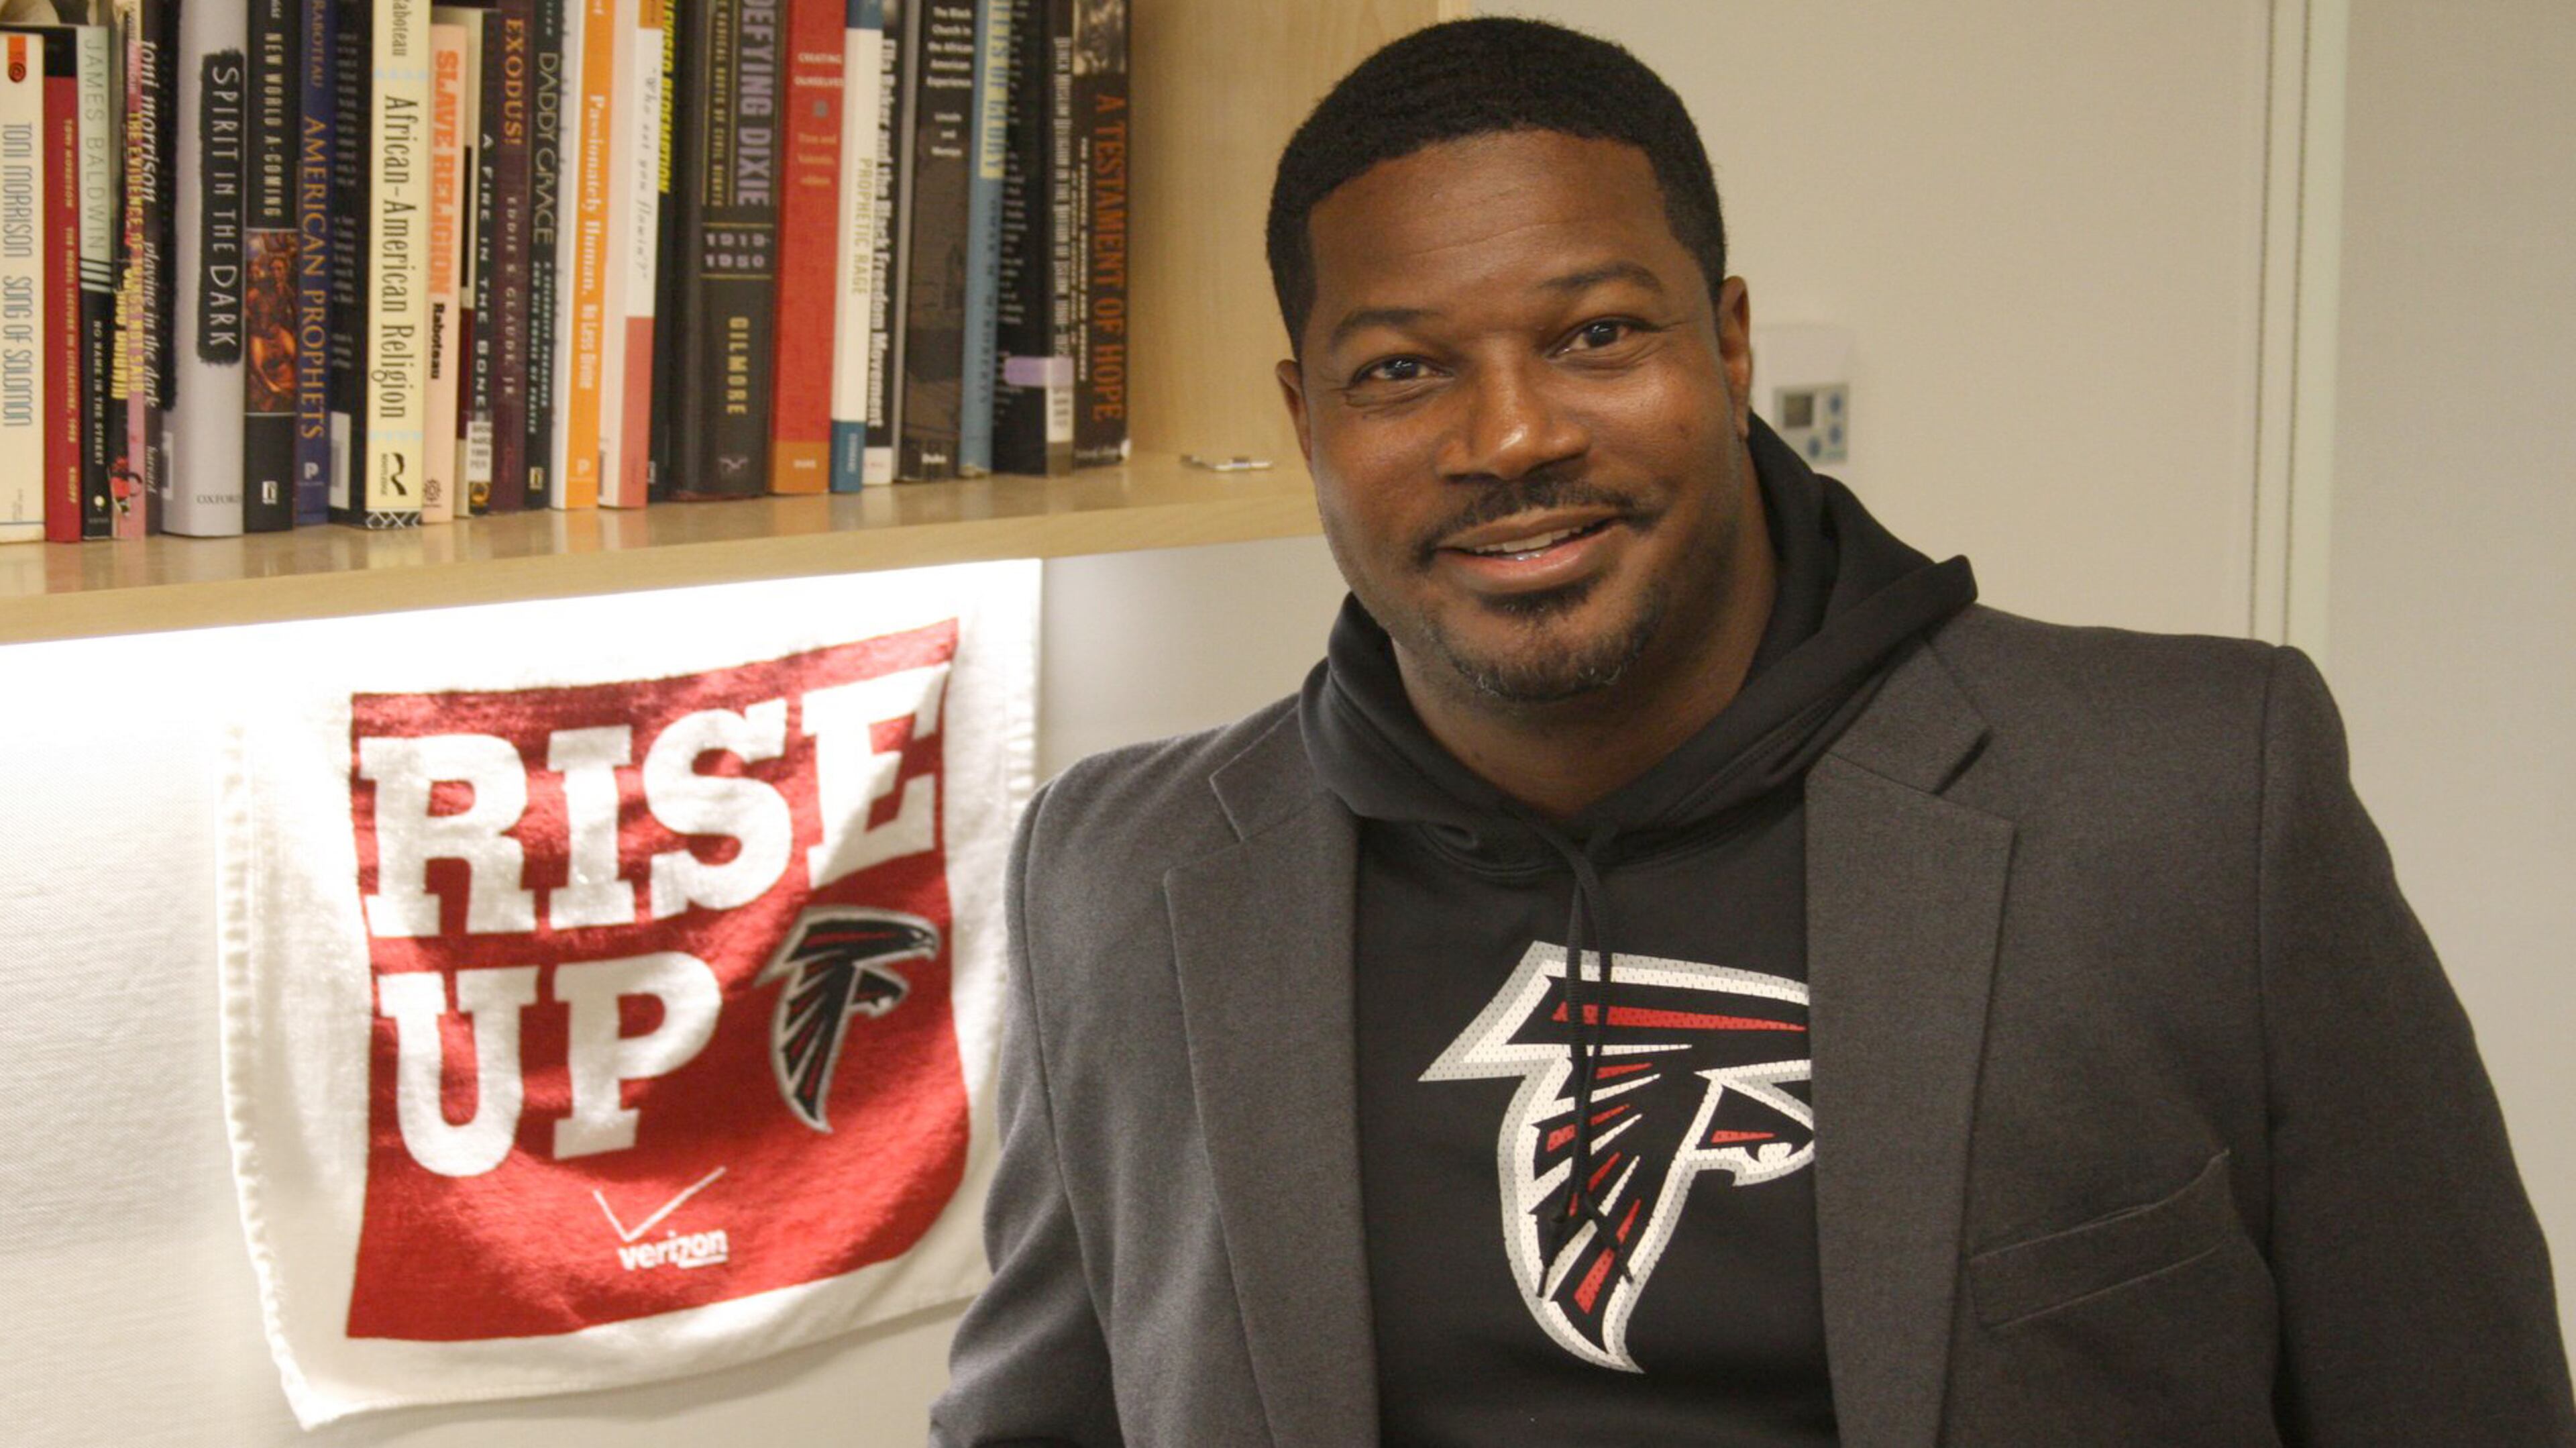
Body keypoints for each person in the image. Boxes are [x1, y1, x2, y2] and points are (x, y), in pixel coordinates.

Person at [929, 17, 2575, 1446]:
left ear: (1726, 345)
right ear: (1308, 418)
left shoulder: (2196, 794)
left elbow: (2459, 1402)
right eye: (1404, 370)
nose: (1513, 434)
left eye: (1595, 335)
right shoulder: (1120, 876)